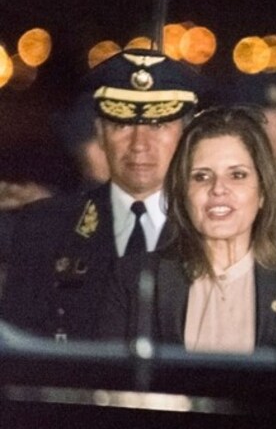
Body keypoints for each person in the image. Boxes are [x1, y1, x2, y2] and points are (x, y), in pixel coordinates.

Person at [0, 48, 202, 341]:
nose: (139, 144)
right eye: (121, 124)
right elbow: (21, 358)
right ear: (100, 132)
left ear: (185, 135)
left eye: (158, 125)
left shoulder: (216, 227)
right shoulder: (44, 228)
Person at [99, 106, 276, 352]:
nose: (218, 189)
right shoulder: (133, 280)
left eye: (237, 175)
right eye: (201, 176)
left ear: (263, 192)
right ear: (182, 192)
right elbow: (109, 382)